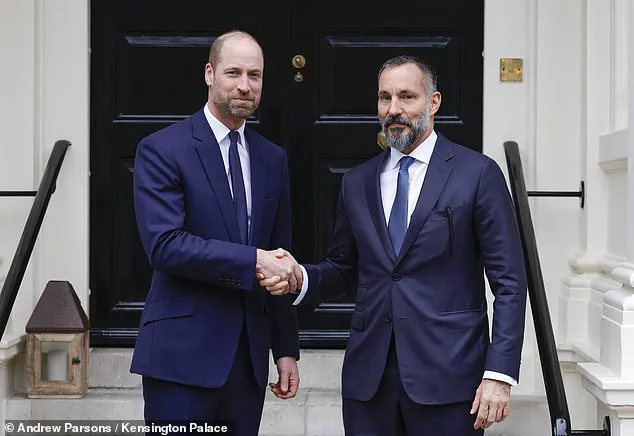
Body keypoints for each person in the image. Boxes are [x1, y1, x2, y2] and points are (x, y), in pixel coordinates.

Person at [260, 55, 528, 435]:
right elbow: (343, 269)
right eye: (385, 98)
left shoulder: (477, 174)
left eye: (407, 97)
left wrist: (499, 374)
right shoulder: (357, 182)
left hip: (450, 380)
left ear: (433, 102)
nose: (393, 109)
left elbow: (510, 282)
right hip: (369, 383)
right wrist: (299, 278)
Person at [131, 30, 302, 435]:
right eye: (233, 73)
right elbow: (165, 246)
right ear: (209, 74)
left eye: (254, 75)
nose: (245, 85)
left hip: (247, 361)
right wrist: (254, 260)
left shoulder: (272, 158)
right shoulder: (162, 149)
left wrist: (285, 348)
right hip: (180, 357)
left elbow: (278, 255)